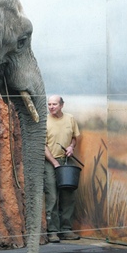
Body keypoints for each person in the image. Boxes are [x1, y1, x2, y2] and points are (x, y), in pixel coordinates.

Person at [44, 95, 81, 243]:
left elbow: (74, 137)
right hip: (50, 161)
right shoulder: (44, 121)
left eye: (54, 104)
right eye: (49, 104)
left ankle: (66, 230)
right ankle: (52, 231)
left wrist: (72, 147)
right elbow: (43, 146)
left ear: (61, 105)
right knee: (52, 196)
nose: (51, 107)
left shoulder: (70, 119)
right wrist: (54, 163)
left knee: (68, 194)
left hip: (66, 160)